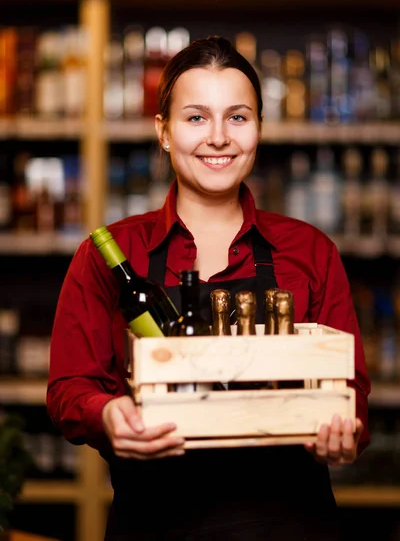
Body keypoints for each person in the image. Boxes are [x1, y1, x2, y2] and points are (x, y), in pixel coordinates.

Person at [47, 36, 370, 540]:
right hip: (154, 526)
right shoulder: (108, 257)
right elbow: (69, 388)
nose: (218, 137)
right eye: (196, 117)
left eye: (237, 117)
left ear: (259, 128)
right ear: (164, 132)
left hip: (291, 526)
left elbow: (352, 390)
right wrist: (107, 413)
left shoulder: (310, 252)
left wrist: (344, 433)